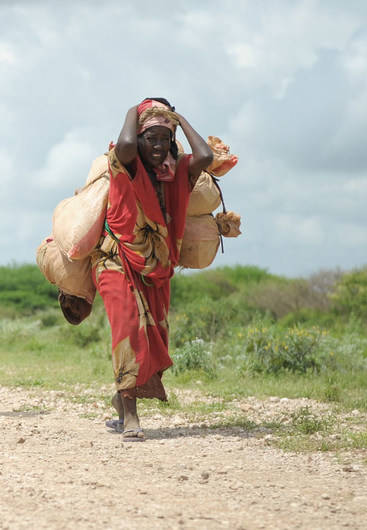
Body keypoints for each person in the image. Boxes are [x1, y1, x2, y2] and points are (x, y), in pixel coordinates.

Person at [89, 98, 213, 441]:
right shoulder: (124, 164)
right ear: (139, 140)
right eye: (151, 138)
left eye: (165, 140)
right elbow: (127, 142)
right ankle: (131, 415)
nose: (158, 147)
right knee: (129, 331)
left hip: (157, 267)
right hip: (115, 259)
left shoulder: (178, 172)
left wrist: (177, 119)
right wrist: (134, 110)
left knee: (153, 340)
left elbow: (205, 157)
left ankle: (120, 398)